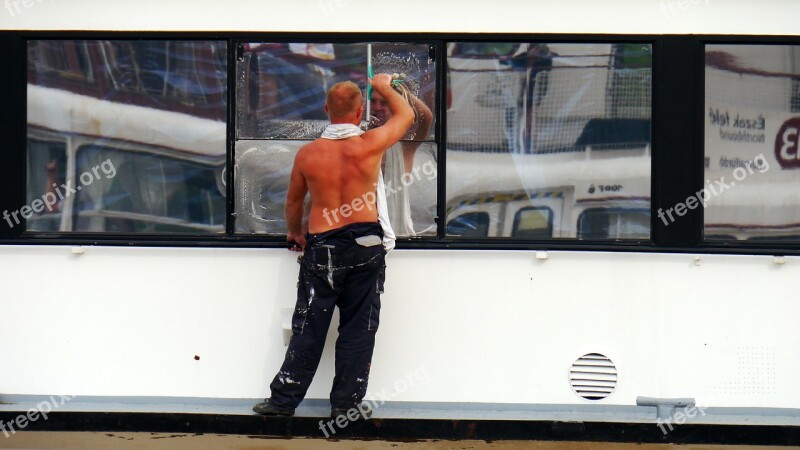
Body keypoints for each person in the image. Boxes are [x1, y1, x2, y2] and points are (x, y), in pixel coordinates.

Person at [253, 73, 414, 419]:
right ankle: (345, 407)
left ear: (327, 110)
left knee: (309, 327)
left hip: (323, 247)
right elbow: (408, 117)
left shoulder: (309, 155)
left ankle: (282, 404)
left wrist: (295, 233)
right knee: (358, 329)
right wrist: (385, 85)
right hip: (366, 244)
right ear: (359, 114)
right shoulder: (370, 143)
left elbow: (293, 205)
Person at [368, 83, 433, 236]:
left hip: (399, 237)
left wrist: (394, 89)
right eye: (373, 101)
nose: (377, 107)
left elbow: (426, 118)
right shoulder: (359, 142)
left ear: (395, 105)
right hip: (366, 236)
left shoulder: (404, 149)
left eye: (384, 102)